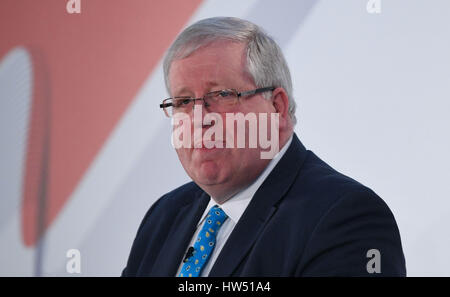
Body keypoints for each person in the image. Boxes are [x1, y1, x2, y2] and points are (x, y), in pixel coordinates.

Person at [121, 17, 406, 277]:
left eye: (222, 95)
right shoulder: (163, 217)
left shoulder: (346, 216)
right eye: (183, 102)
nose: (199, 119)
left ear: (277, 108)